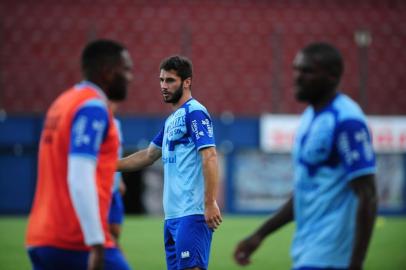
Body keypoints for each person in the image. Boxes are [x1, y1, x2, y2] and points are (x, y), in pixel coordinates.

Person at [233, 42, 377, 270]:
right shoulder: (310, 117)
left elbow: (367, 194)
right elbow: (304, 193)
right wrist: (260, 235)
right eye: (296, 69)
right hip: (307, 253)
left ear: (332, 76)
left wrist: (356, 264)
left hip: (332, 257)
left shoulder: (346, 120)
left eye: (307, 71)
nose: (297, 77)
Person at [26, 39, 133, 270]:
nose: (130, 77)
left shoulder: (62, 103)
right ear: (107, 72)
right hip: (74, 240)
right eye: (125, 69)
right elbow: (79, 177)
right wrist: (95, 242)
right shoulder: (93, 107)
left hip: (40, 237)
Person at [118, 55, 222, 270]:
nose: (164, 86)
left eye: (170, 80)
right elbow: (148, 156)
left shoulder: (195, 112)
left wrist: (210, 202)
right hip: (172, 217)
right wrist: (107, 165)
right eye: (161, 80)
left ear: (187, 82)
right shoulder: (172, 120)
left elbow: (210, 156)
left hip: (192, 213)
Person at [108, 101, 127, 246]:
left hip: (114, 188)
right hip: (102, 187)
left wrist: (118, 180)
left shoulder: (117, 124)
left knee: (116, 230)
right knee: (107, 234)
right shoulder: (97, 124)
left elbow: (116, 154)